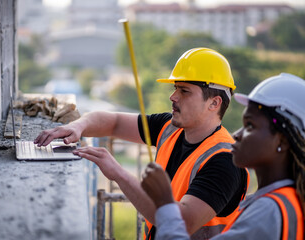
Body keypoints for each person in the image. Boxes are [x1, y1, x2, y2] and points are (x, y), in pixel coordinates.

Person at [34, 48, 249, 239]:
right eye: (175, 88)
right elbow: (114, 122)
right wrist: (78, 127)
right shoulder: (169, 128)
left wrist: (119, 174)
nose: (173, 96)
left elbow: (181, 222)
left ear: (214, 102)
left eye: (184, 91)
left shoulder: (225, 162)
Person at [141, 73, 305, 240]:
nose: (237, 134)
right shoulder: (287, 201)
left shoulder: (269, 211)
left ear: (282, 140)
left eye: (250, 126)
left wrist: (165, 203)